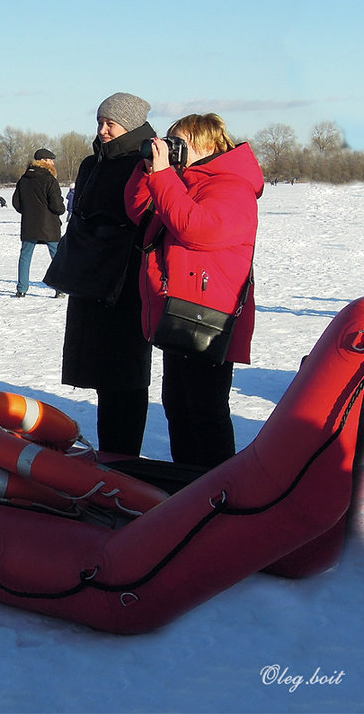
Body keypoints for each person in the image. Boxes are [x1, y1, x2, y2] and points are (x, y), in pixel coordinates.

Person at [125, 113, 263, 468]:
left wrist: (164, 177)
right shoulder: (184, 181)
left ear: (208, 144)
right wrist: (147, 171)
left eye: (180, 142)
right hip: (180, 311)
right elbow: (138, 210)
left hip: (209, 315)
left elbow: (199, 229)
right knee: (178, 406)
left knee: (206, 410)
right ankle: (187, 488)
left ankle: (217, 489)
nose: (173, 149)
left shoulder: (232, 186)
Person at [44, 93, 156, 457]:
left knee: (126, 375)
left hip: (127, 282)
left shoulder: (147, 162)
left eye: (111, 123)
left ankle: (125, 457)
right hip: (90, 276)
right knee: (101, 375)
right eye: (100, 122)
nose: (103, 130)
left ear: (132, 125)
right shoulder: (93, 163)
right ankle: (110, 455)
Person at [11, 147, 65, 298]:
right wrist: (60, 209)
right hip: (49, 225)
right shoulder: (49, 179)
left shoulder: (23, 179)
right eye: (50, 160)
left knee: (25, 256)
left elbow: (16, 202)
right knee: (57, 256)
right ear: (43, 161)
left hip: (29, 224)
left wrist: (28, 212)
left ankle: (21, 289)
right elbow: (57, 205)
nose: (53, 162)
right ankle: (59, 288)